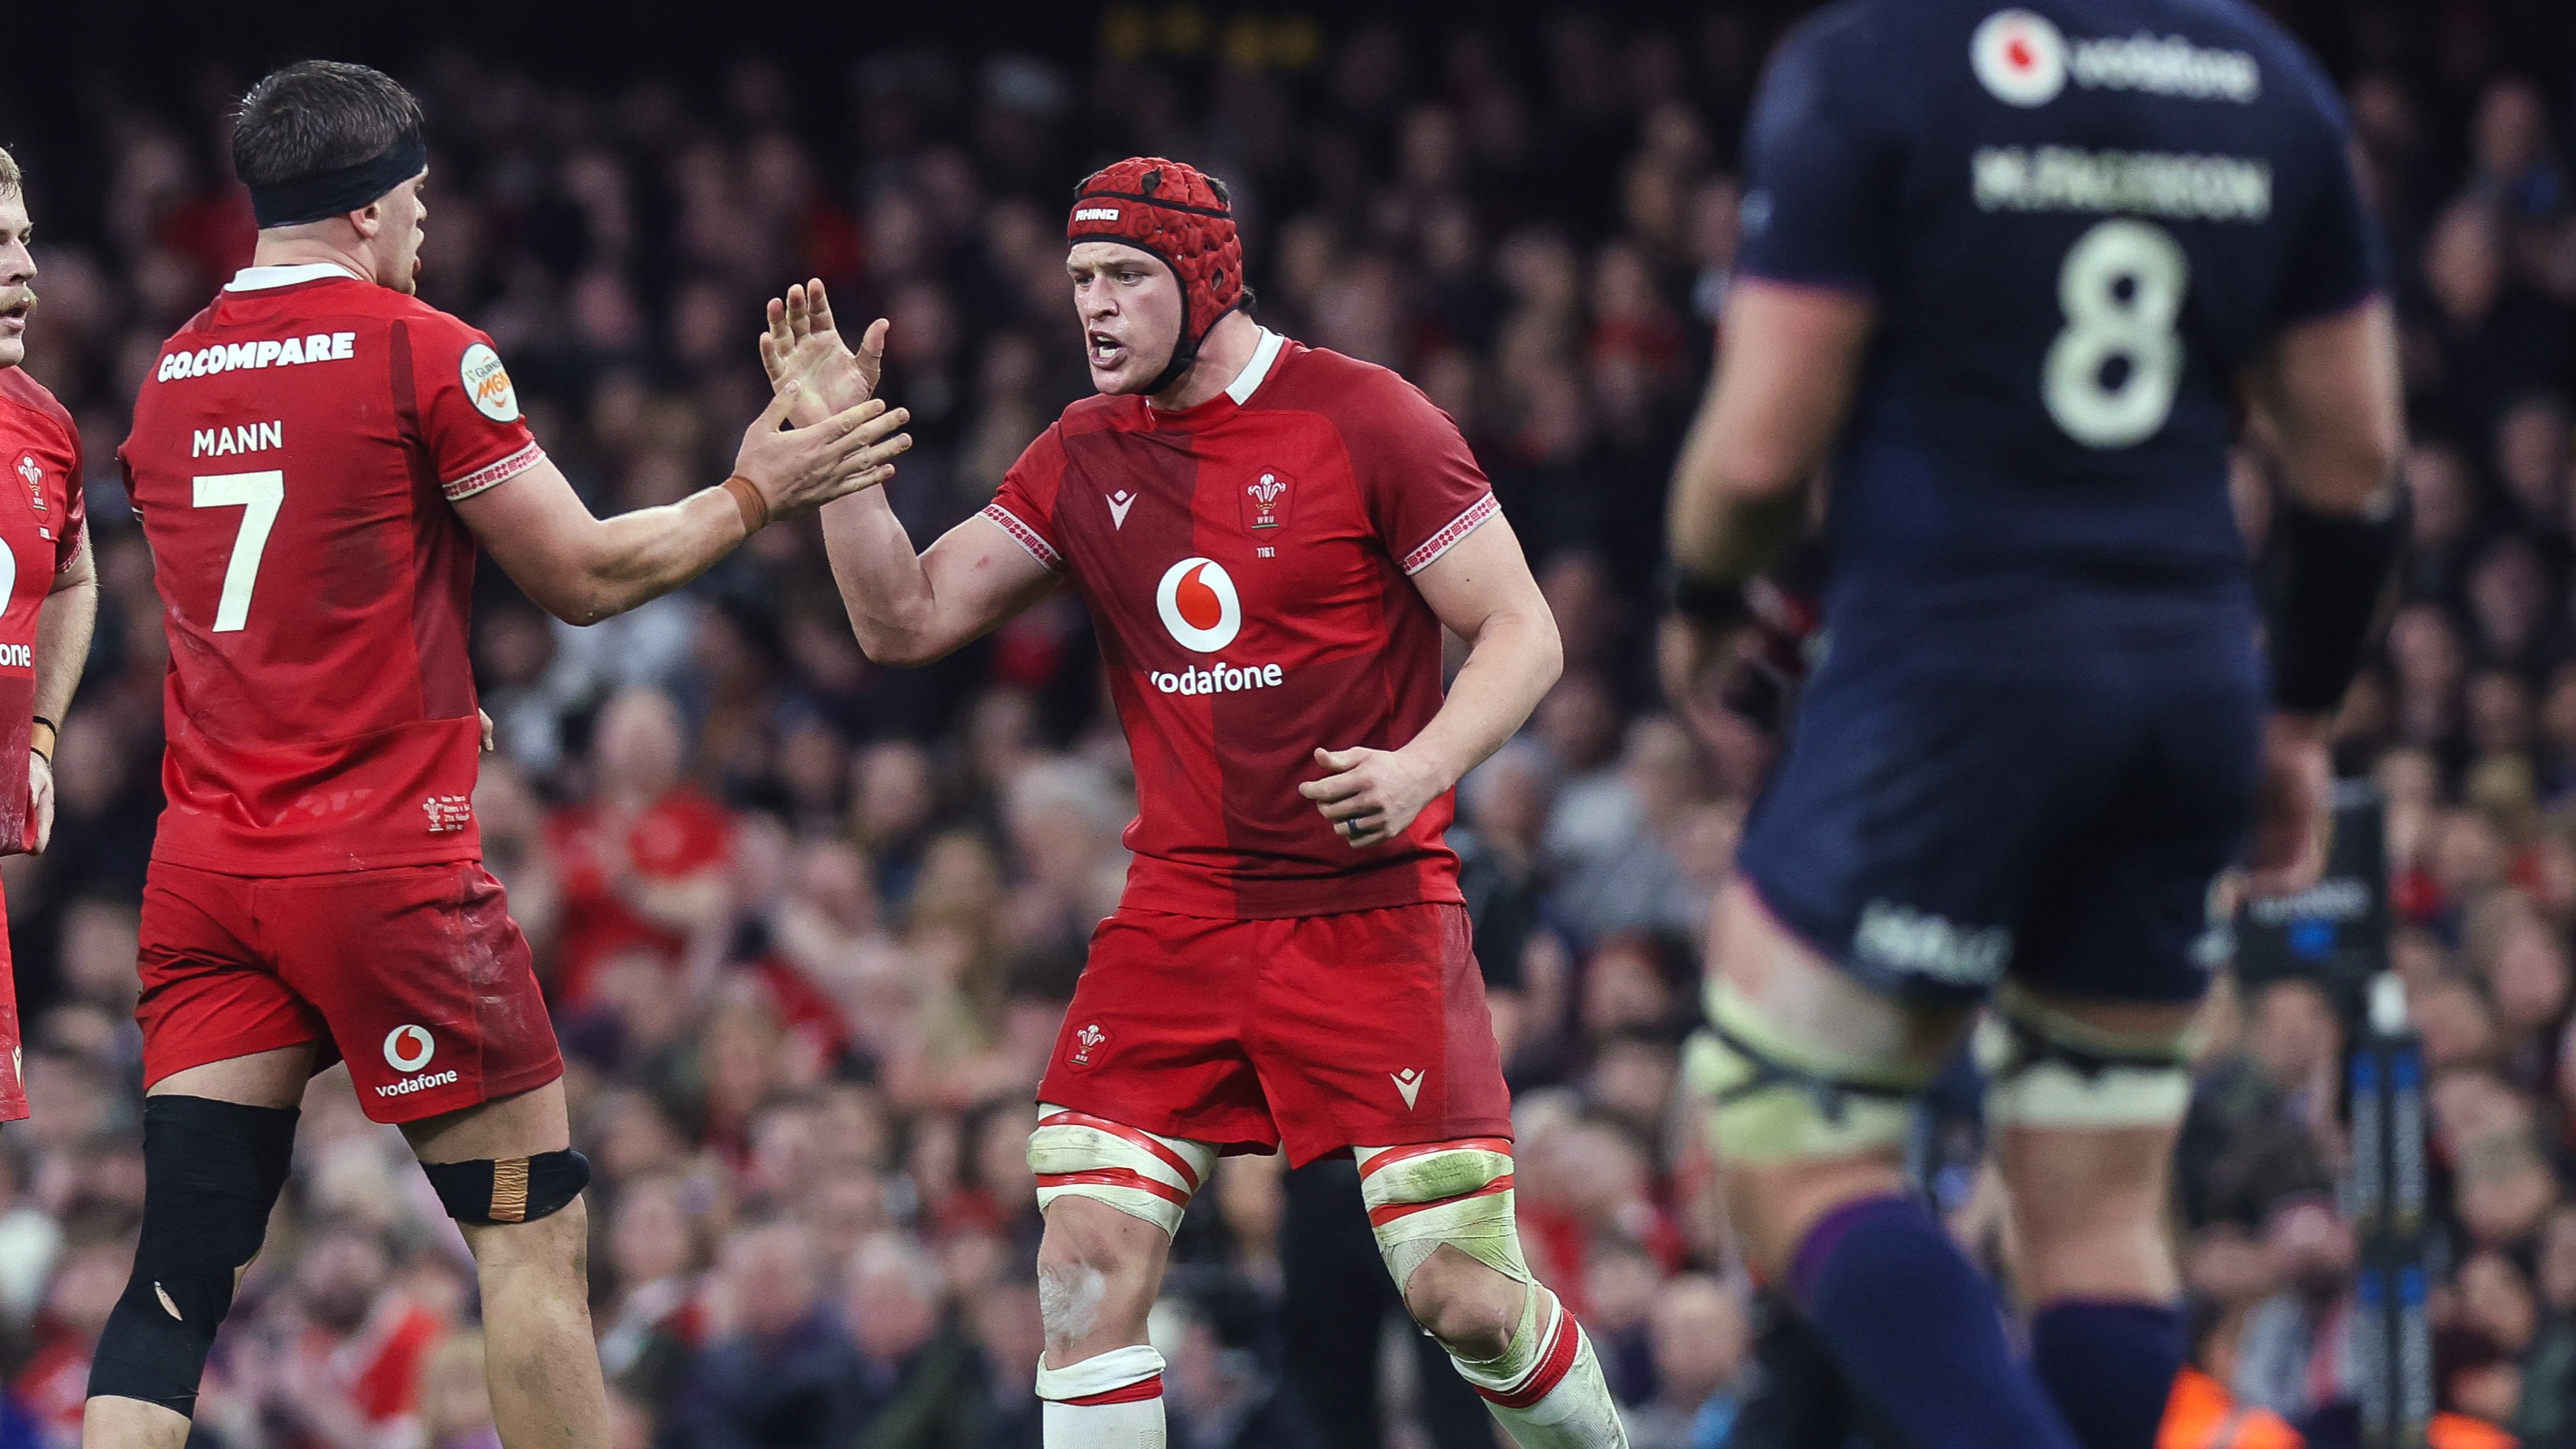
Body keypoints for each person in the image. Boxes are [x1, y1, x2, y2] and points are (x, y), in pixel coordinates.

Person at [87, 59, 910, 1449]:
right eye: (415, 191)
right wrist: (766, 482)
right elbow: (583, 575)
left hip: (209, 875)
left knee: (177, 1273)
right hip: (379, 871)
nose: (425, 217)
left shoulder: (168, 378)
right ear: (364, 205)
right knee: (530, 1235)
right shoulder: (420, 347)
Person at [762, 155, 1624, 1449]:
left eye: (1122, 277)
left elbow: (1522, 629)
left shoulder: (1365, 417)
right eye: (1077, 282)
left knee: (1461, 1297)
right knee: (1080, 1265)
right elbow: (906, 618)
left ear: (1205, 278)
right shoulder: (1083, 450)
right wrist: (836, 463)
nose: (1093, 307)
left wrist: (1419, 767)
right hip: (1181, 917)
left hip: (1368, 912)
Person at [1657, 2, 2405, 1448]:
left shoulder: (1873, 61)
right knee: (2100, 1208)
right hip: (2188, 681)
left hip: (1951, 679)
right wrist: (2298, 713)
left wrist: (1699, 594)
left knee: (1780, 1131)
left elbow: (1758, 449)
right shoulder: (2264, 81)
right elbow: (2357, 462)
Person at [0, 144, 104, 1117]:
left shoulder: (43, 425)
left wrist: (37, 738)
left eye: (24, 241)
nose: (26, 270)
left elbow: (74, 580)